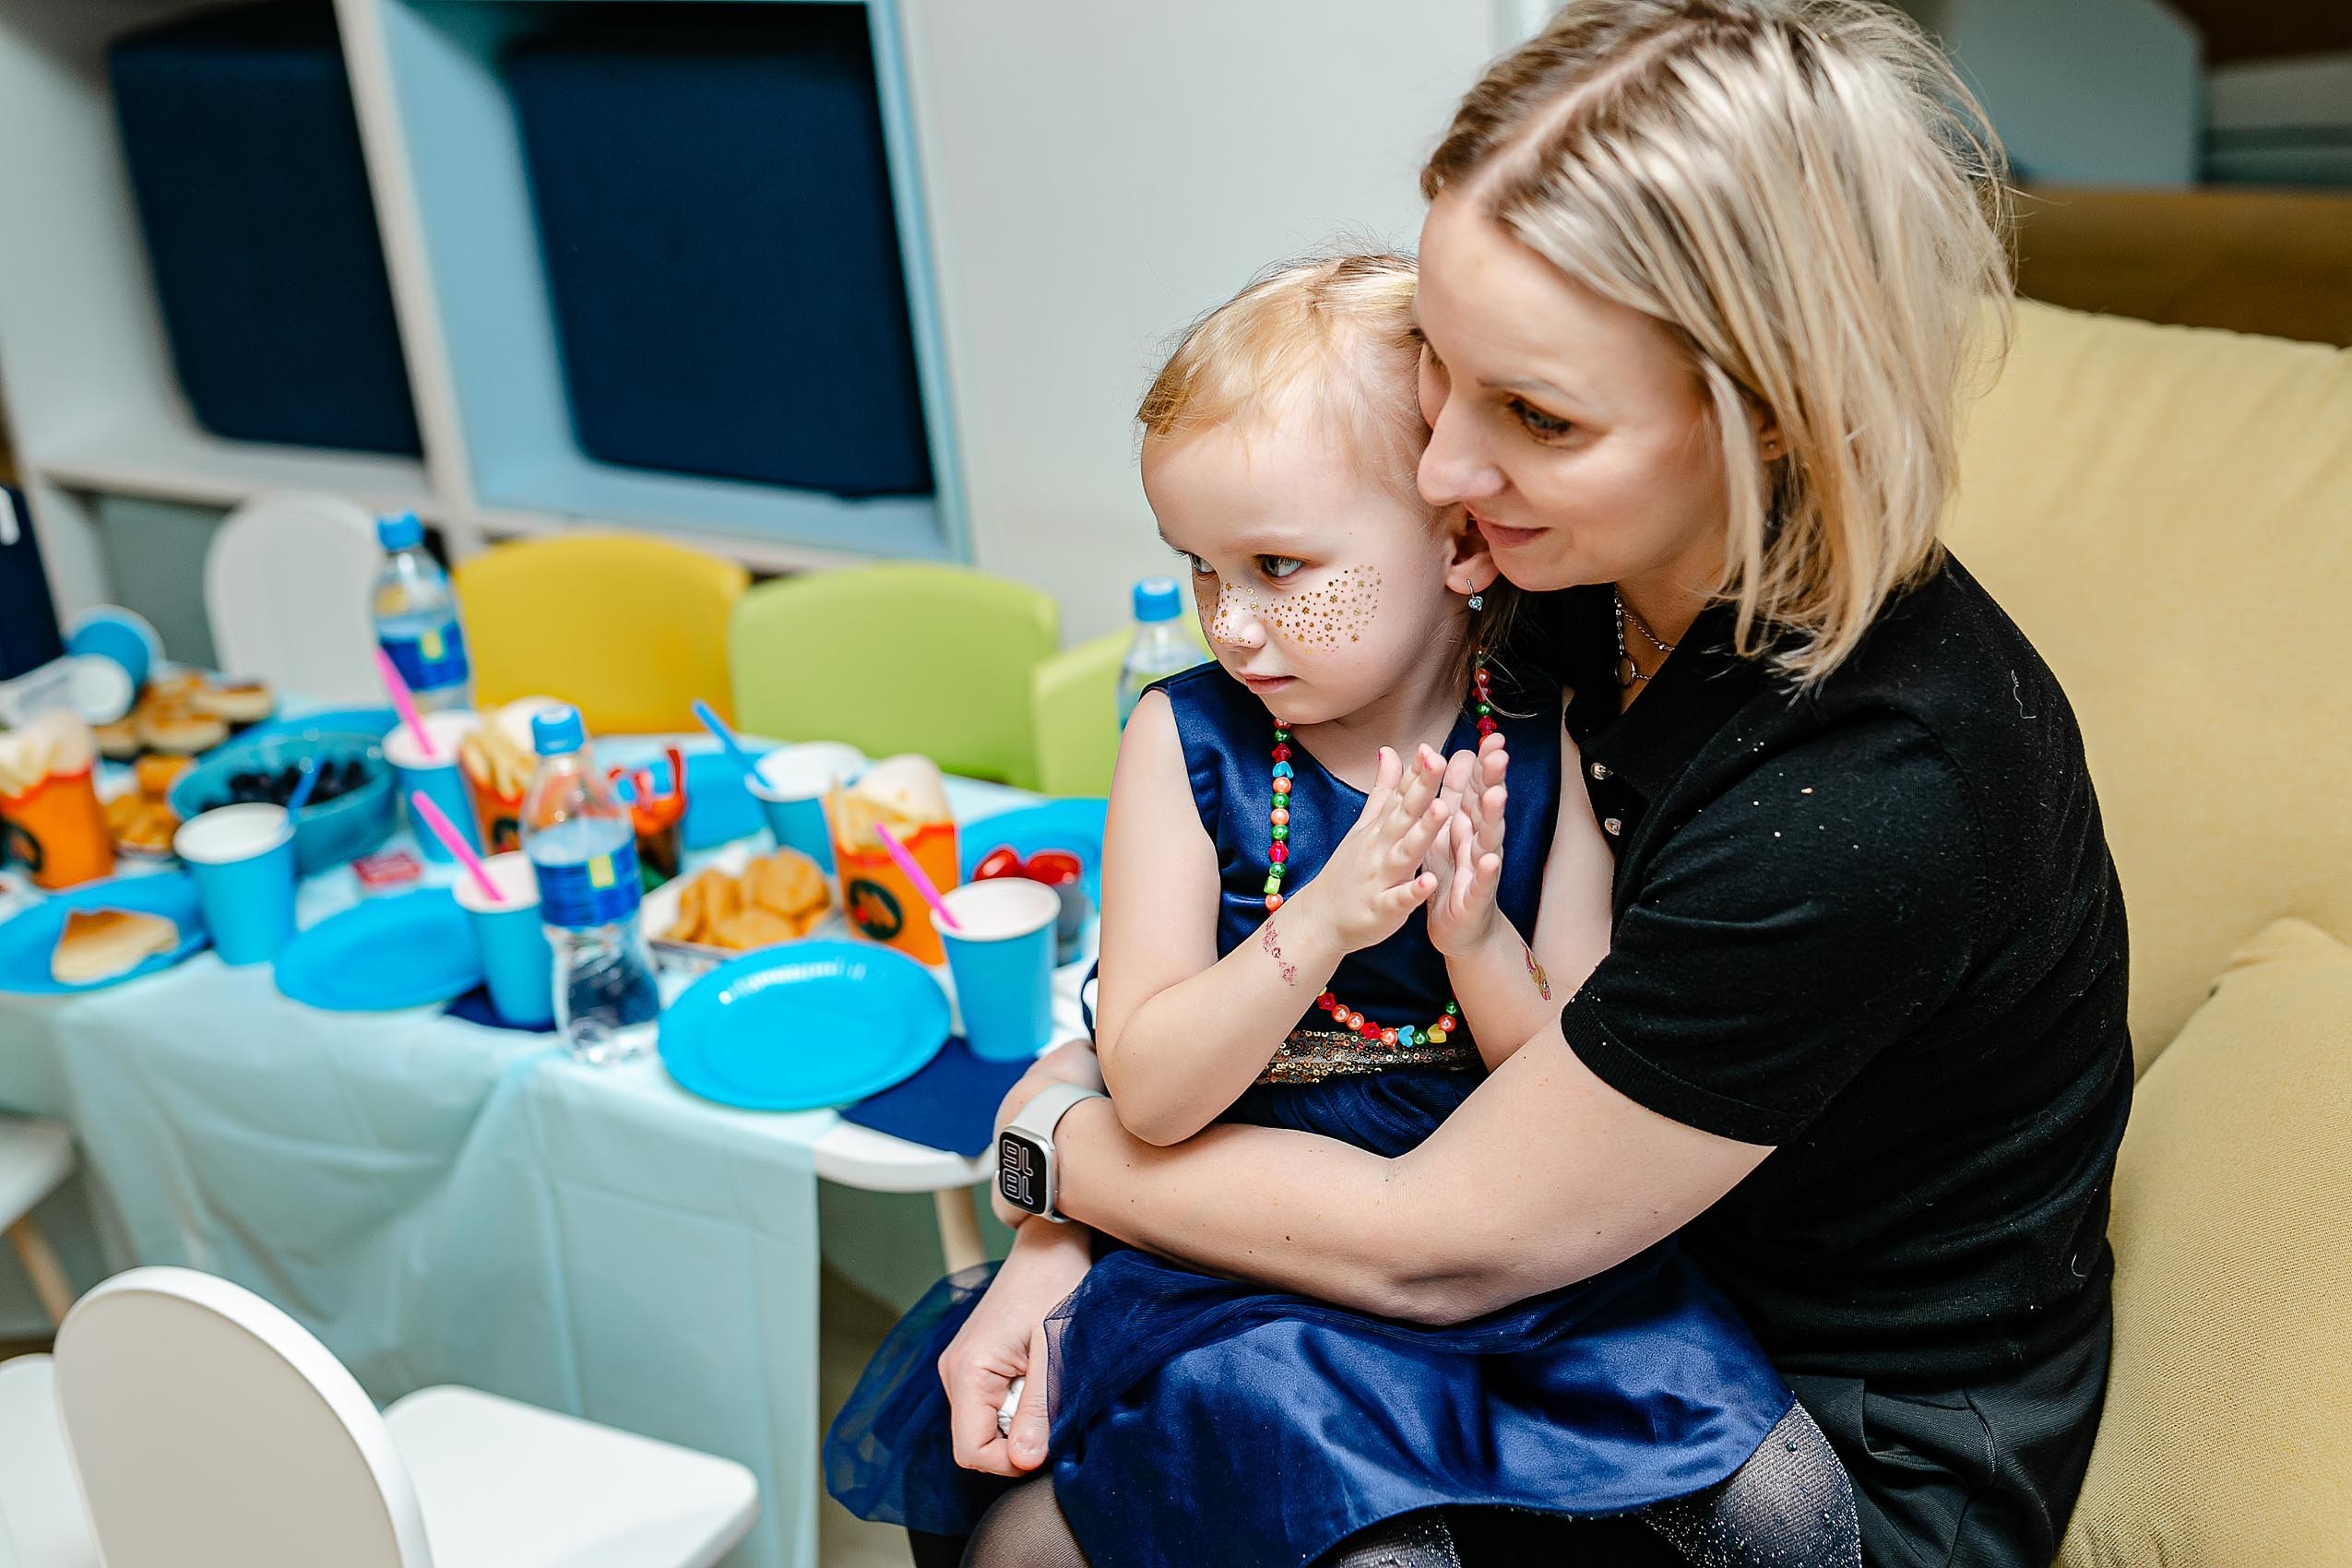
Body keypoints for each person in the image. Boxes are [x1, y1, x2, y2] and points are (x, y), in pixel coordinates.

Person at [935, 4, 2133, 1566]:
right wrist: (1055, 1246)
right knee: (1035, 1472)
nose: (1439, 472)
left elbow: (1437, 1249)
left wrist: (1058, 1147)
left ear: (1768, 416)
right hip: (1555, 1265)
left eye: (1538, 417)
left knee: (1072, 1522)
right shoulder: (1544, 576)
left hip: (1809, 1430)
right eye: (1441, 373)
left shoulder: (1871, 793)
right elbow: (1220, 967)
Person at [826, 255, 1855, 1568]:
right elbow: (1149, 1092)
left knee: (1784, 1516)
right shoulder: (1180, 745)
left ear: (1458, 543)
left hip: (1500, 1218)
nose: (1232, 626)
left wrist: (1474, 942)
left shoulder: (1541, 738)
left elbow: (1563, 1076)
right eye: (1201, 571)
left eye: (1278, 565)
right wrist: (1320, 921)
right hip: (1245, 1242)